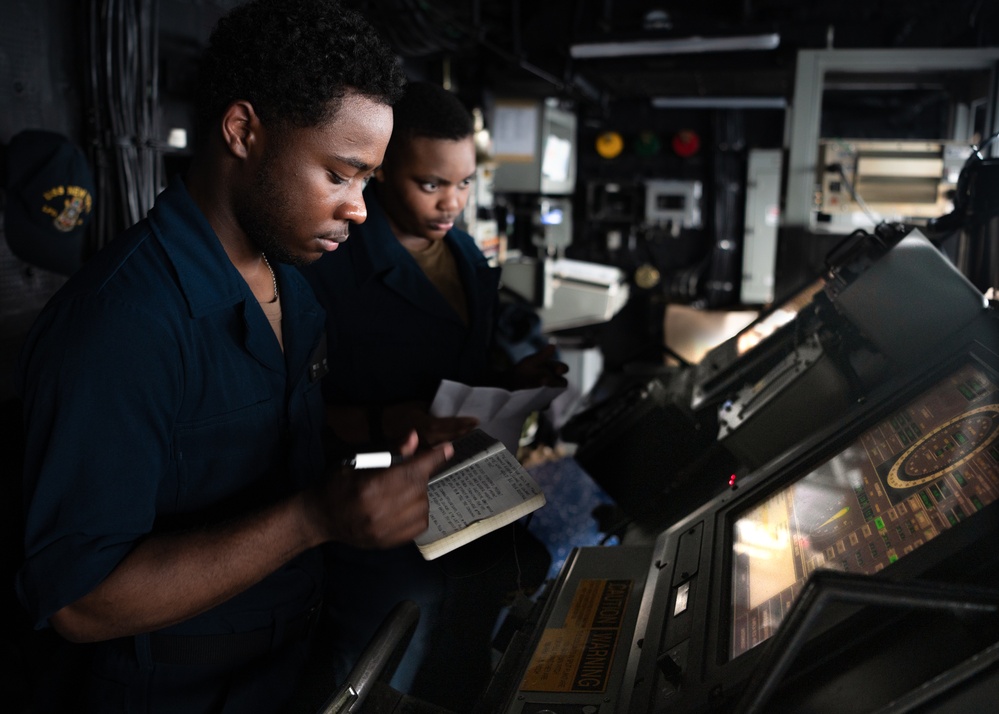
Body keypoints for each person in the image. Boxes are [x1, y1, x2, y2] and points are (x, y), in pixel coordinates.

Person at [12, 2, 454, 713]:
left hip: (286, 670)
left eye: (367, 181)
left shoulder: (292, 289)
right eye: (339, 175)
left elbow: (262, 460)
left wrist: (378, 444)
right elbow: (80, 600)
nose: (360, 208)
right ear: (244, 130)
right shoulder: (122, 325)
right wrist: (315, 519)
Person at [299, 80, 567, 711]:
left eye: (465, 182)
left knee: (461, 673)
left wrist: (511, 382)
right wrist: (386, 419)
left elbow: (458, 369)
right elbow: (295, 414)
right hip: (379, 524)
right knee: (378, 677)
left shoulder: (466, 256)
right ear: (386, 171)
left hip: (465, 505)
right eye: (431, 184)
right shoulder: (334, 266)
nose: (452, 203)